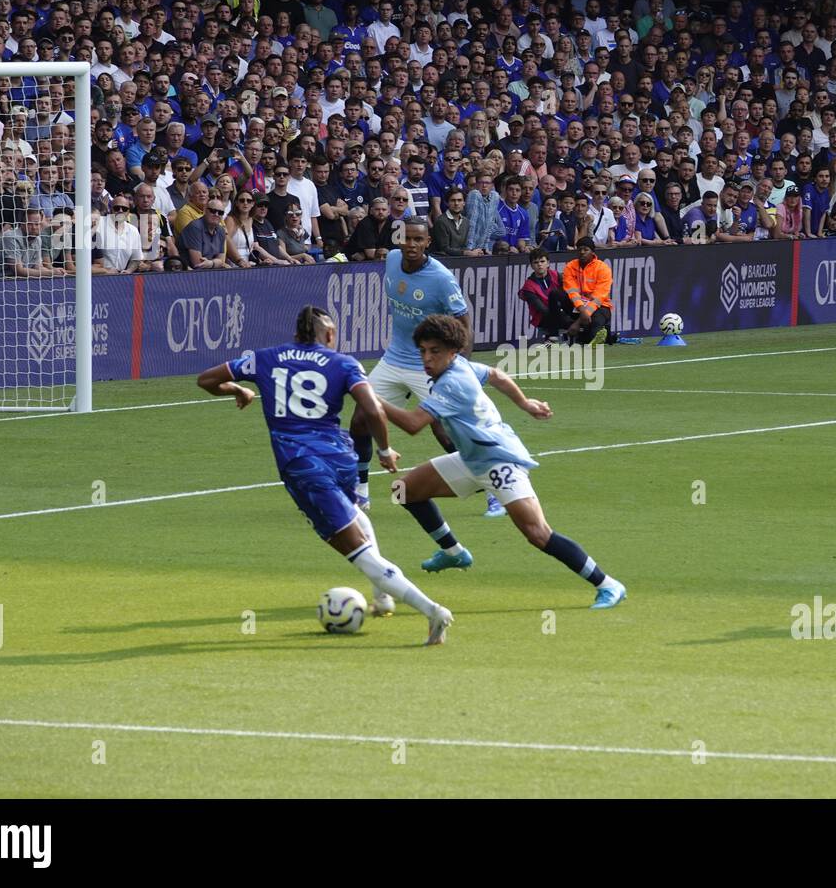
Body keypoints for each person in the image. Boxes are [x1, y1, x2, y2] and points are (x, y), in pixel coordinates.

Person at [195, 306, 453, 645]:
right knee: (357, 516)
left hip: (303, 468)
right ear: (329, 335)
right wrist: (385, 450)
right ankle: (383, 596)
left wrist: (238, 390)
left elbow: (206, 380)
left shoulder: (263, 359)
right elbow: (372, 408)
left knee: (359, 553)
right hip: (341, 459)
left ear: (297, 333)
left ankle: (433, 612)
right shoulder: (345, 363)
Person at [378, 313, 627, 610]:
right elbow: (496, 375)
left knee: (537, 533)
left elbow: (413, 424)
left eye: (435, 352)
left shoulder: (452, 383)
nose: (427, 359)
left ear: (452, 351)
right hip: (473, 459)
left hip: (499, 461)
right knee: (404, 491)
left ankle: (608, 584)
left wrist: (369, 394)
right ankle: (453, 552)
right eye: (423, 351)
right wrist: (525, 403)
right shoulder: (461, 366)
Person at [348, 219, 505, 522]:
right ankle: (360, 490)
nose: (411, 244)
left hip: (429, 365)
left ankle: (494, 490)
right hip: (394, 359)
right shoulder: (392, 260)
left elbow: (464, 325)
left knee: (447, 433)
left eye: (418, 239)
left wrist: (459, 367)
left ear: (428, 242)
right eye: (406, 238)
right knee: (360, 420)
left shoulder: (442, 279)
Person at [561, 239, 613, 345]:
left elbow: (598, 299)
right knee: (556, 295)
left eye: (586, 250)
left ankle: (607, 336)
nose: (582, 252)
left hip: (600, 307)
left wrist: (579, 321)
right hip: (578, 305)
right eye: (580, 249)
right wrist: (582, 311)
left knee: (593, 337)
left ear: (593, 252)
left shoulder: (603, 268)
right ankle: (557, 335)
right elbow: (572, 292)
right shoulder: (570, 267)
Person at [519, 249, 575, 341]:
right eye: (536, 262)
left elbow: (568, 296)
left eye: (542, 261)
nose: (539, 264)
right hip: (543, 318)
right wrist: (566, 319)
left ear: (548, 263)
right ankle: (568, 328)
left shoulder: (556, 275)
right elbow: (543, 310)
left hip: (562, 312)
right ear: (532, 266)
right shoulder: (528, 286)